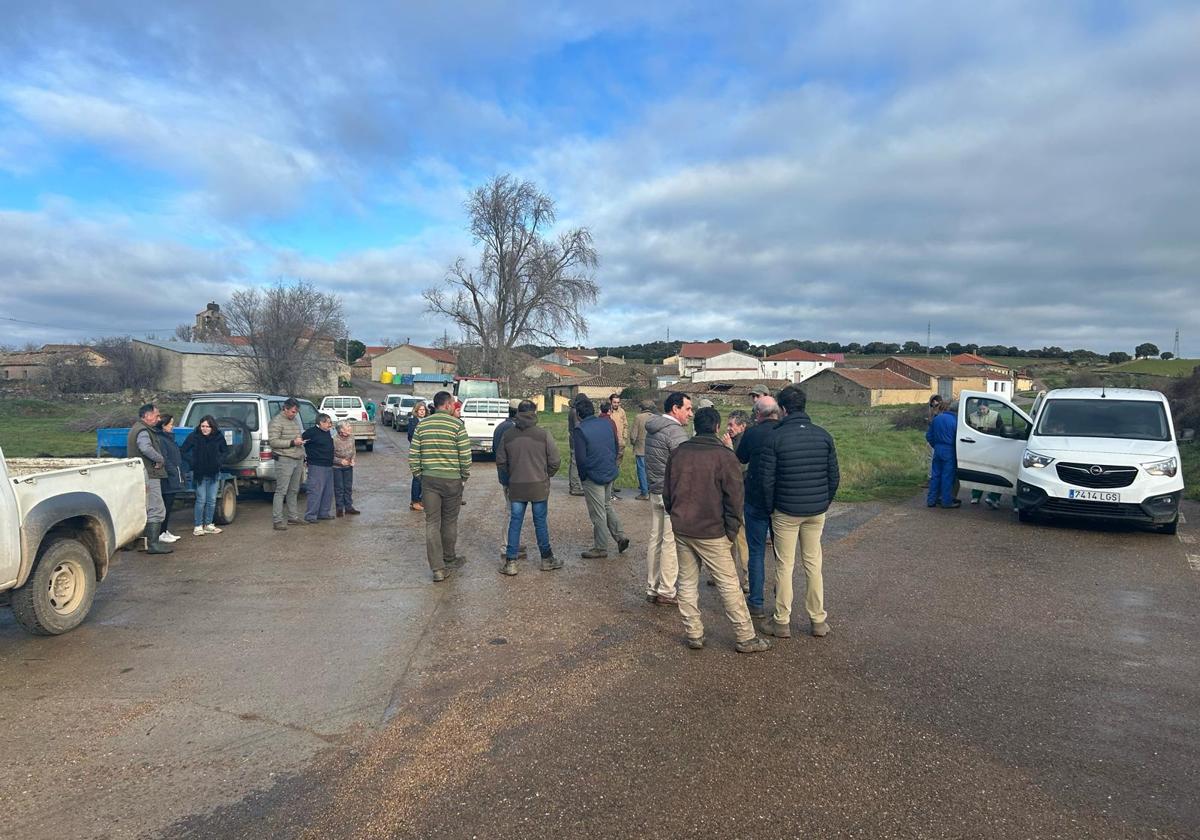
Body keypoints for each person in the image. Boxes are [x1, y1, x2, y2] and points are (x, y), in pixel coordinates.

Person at [663, 406, 772, 654]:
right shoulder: (724, 456)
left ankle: (694, 633)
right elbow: (735, 498)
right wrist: (730, 531)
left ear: (695, 426)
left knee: (688, 582)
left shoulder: (678, 454)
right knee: (729, 584)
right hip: (712, 530)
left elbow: (667, 493)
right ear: (716, 427)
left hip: (683, 527)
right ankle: (745, 637)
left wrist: (677, 516)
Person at [758, 386, 840, 640]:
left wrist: (772, 507)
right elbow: (833, 476)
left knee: (785, 565)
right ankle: (818, 620)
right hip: (816, 510)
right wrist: (824, 502)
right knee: (813, 563)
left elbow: (766, 480)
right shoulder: (823, 435)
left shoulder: (775, 437)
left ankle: (782, 621)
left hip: (785, 510)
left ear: (782, 409)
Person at [409, 390, 472, 582]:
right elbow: (465, 455)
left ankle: (437, 568)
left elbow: (413, 456)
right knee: (450, 521)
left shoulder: (423, 425)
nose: (454, 407)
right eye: (453, 404)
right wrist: (463, 476)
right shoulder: (457, 425)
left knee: (432, 522)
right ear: (447, 405)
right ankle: (449, 559)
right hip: (452, 480)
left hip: (429, 480)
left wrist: (421, 476)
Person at [496, 400, 562, 575]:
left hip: (516, 486)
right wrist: (546, 474)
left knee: (515, 522)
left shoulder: (508, 435)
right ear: (534, 413)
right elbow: (555, 461)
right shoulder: (543, 434)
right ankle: (546, 559)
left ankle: (511, 563)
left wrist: (512, 475)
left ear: (518, 413)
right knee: (540, 522)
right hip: (539, 485)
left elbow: (501, 461)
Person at [643, 392, 692, 604]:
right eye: (687, 408)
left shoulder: (654, 428)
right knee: (670, 542)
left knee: (656, 539)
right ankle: (667, 589)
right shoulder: (676, 433)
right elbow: (686, 466)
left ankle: (652, 587)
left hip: (655, 489)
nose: (691, 413)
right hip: (671, 493)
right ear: (675, 409)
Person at [737, 396, 780, 619]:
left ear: (758, 414)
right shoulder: (784, 431)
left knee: (755, 552)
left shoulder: (752, 433)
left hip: (755, 498)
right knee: (782, 554)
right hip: (781, 500)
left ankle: (756, 601)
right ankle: (782, 599)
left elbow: (741, 457)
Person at [572, 396, 629, 559]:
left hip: (593, 475)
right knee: (607, 505)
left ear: (578, 414)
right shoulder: (606, 423)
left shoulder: (580, 430)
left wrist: (583, 477)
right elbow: (616, 444)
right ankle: (620, 536)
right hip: (609, 470)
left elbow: (581, 459)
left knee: (598, 513)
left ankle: (600, 547)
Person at [127, 403, 172, 554]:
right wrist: (160, 459)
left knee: (145, 508)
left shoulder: (137, 429)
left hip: (141, 473)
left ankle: (143, 542)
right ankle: (153, 544)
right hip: (149, 474)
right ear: (147, 416)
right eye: (156, 415)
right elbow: (145, 448)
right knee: (157, 508)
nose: (158, 419)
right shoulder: (144, 431)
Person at [181, 414, 229, 536]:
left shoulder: (218, 437)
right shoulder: (194, 436)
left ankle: (209, 524)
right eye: (202, 426)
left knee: (212, 500)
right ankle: (198, 525)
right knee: (201, 499)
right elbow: (183, 450)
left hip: (214, 472)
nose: (204, 429)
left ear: (212, 427)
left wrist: (219, 461)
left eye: (207, 426)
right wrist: (193, 461)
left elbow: (225, 451)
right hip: (199, 473)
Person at [722, 409, 751, 592]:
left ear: (742, 426)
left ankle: (747, 579)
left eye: (732, 424)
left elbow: (739, 470)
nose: (728, 428)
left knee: (742, 540)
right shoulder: (731, 441)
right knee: (729, 539)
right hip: (730, 498)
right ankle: (728, 576)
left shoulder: (745, 443)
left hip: (742, 498)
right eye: (728, 424)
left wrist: (729, 450)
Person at [492, 403, 526, 561]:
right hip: (513, 477)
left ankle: (514, 542)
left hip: (504, 476)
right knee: (512, 512)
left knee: (513, 511)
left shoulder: (500, 426)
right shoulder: (513, 430)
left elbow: (495, 451)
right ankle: (507, 546)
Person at [268, 398, 307, 531]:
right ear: (285, 408)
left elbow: (297, 437)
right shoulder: (276, 422)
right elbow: (273, 442)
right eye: (292, 411)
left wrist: (301, 447)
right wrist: (292, 442)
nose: (294, 414)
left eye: (296, 412)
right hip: (284, 459)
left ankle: (292, 517)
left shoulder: (294, 420)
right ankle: (277, 520)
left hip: (297, 457)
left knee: (294, 489)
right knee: (281, 491)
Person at [966, 401, 1003, 508]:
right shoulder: (971, 416)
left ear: (988, 408)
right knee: (978, 472)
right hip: (977, 447)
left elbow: (1001, 430)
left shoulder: (996, 415)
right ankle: (976, 496)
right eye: (980, 409)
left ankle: (994, 497)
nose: (981, 411)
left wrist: (989, 430)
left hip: (993, 447)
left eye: (983, 409)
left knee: (996, 473)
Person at [301, 413, 336, 523]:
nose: (330, 424)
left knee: (328, 491)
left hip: (328, 465)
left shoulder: (328, 432)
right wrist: (305, 459)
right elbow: (300, 444)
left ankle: (323, 513)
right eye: (328, 422)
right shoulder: (310, 433)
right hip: (317, 466)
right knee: (315, 490)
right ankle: (311, 515)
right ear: (321, 422)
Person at [926, 400, 961, 509]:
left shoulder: (937, 419)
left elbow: (928, 435)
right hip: (949, 450)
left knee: (935, 476)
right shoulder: (956, 421)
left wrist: (935, 445)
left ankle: (931, 500)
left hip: (938, 449)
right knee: (947, 477)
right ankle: (946, 501)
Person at [155, 414, 184, 543]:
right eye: (170, 424)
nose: (172, 426)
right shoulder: (162, 439)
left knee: (169, 504)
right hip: (167, 477)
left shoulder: (168, 438)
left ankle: (165, 530)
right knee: (165, 505)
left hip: (172, 475)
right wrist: (173, 471)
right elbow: (165, 458)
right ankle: (161, 532)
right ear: (163, 425)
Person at [332, 420, 360, 517]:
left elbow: (353, 450)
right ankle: (339, 509)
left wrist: (352, 459)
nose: (350, 428)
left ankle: (348, 507)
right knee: (339, 488)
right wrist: (340, 461)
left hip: (348, 466)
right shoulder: (334, 440)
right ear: (341, 430)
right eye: (348, 427)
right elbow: (330, 456)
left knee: (348, 487)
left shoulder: (352, 438)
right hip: (337, 468)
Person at [629, 400, 653, 500]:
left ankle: (644, 492)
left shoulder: (638, 417)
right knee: (650, 470)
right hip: (652, 447)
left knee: (641, 470)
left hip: (641, 447)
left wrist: (633, 442)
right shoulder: (655, 417)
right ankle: (650, 489)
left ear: (641, 408)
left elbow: (633, 434)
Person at [406, 401, 428, 511]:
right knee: (417, 477)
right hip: (417, 452)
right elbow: (410, 436)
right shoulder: (413, 421)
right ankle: (414, 501)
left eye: (424, 410)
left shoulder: (428, 421)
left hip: (426, 452)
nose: (422, 412)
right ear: (416, 411)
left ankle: (421, 499)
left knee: (425, 477)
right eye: (420, 410)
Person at [608, 393, 628, 496]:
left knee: (617, 465)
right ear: (610, 402)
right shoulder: (607, 411)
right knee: (610, 465)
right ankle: (609, 488)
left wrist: (624, 438)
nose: (616, 404)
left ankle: (612, 484)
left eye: (618, 402)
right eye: (614, 402)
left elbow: (625, 425)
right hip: (610, 443)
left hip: (620, 443)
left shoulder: (622, 411)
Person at [566, 398, 584, 495]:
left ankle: (573, 485)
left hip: (573, 439)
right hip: (576, 440)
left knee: (573, 463)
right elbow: (578, 426)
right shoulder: (575, 412)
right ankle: (575, 487)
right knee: (575, 464)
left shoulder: (572, 410)